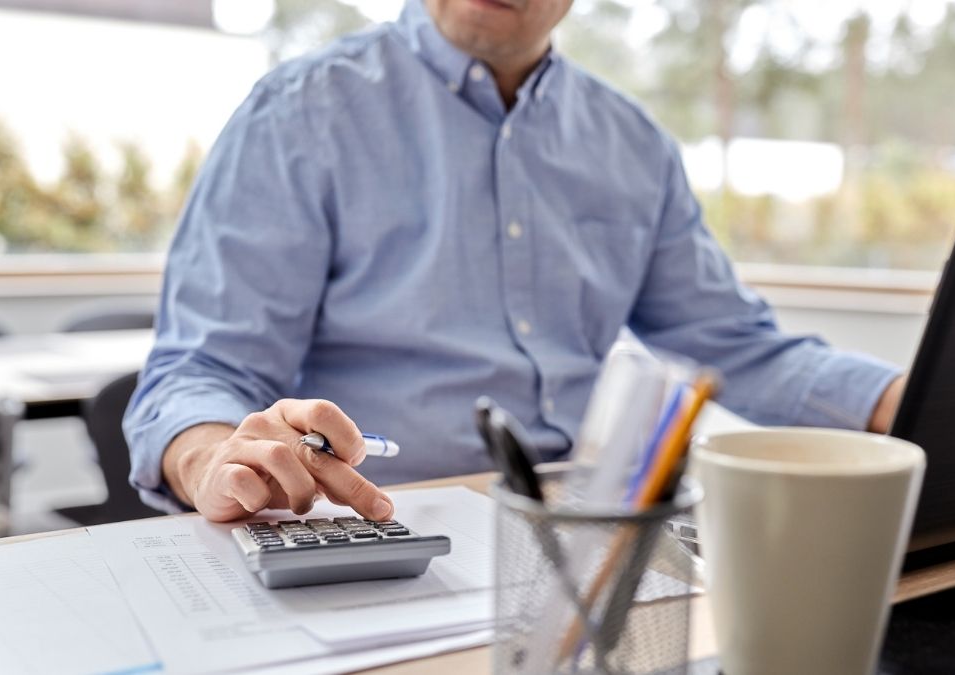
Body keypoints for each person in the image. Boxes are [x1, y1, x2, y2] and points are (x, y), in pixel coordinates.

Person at [124, 0, 906, 523]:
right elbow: (200, 371)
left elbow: (739, 344)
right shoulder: (299, 115)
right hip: (378, 525)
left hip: (592, 527)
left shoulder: (631, 143)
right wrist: (211, 455)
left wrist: (916, 400)